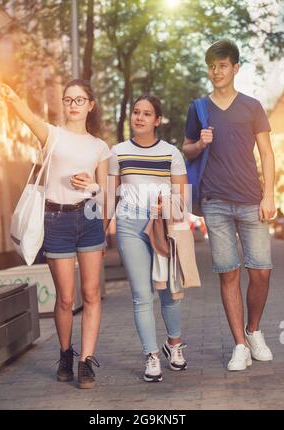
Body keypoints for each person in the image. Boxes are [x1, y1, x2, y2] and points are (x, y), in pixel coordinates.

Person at [0, 79, 111, 388]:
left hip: (88, 220)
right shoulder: (53, 135)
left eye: (79, 100)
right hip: (56, 220)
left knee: (90, 294)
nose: (73, 105)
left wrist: (90, 185)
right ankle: (66, 353)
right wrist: (10, 94)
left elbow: (105, 195)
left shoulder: (100, 147)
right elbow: (27, 116)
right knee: (66, 298)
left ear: (91, 105)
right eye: (68, 100)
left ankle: (86, 361)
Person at [183, 40, 276, 371]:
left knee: (261, 271)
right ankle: (239, 344)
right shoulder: (199, 108)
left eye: (222, 65)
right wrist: (198, 143)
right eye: (211, 66)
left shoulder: (252, 106)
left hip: (252, 199)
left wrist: (270, 195)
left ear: (236, 68)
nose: (216, 71)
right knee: (228, 274)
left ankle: (254, 330)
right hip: (215, 201)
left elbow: (266, 152)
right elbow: (187, 149)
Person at [107, 95, 189, 382]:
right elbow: (109, 196)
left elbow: (182, 201)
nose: (139, 117)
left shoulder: (171, 153)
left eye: (146, 113)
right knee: (142, 294)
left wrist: (165, 207)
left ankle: (174, 346)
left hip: (162, 226)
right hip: (129, 224)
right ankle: (151, 356)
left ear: (157, 120)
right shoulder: (117, 152)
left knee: (169, 291)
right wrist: (108, 227)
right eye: (136, 112)